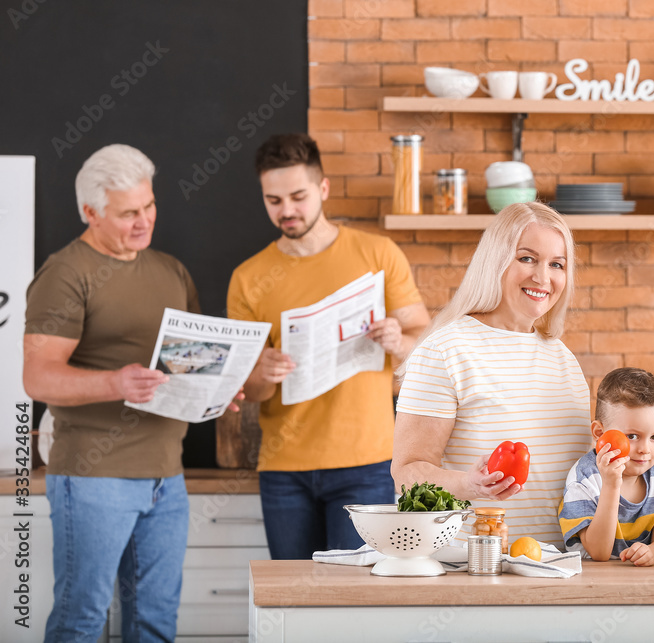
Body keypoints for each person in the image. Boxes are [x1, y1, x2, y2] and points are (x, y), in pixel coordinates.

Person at [23, 144, 200, 641]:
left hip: (167, 477)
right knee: (82, 619)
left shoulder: (171, 271)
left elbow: (187, 362)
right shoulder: (65, 274)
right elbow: (38, 377)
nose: (144, 221)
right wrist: (115, 383)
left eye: (149, 206)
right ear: (90, 213)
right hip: (94, 476)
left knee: (156, 622)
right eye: (128, 214)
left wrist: (216, 391)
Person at [227, 133, 430, 559]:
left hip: (367, 463)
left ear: (323, 189)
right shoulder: (249, 277)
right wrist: (260, 375)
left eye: (298, 196)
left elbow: (424, 345)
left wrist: (398, 340)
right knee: (290, 599)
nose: (287, 211)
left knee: (356, 603)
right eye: (274, 200)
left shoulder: (377, 253)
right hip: (284, 468)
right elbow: (250, 392)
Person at [392, 202, 592, 548]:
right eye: (527, 258)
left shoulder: (563, 359)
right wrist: (468, 484)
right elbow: (407, 474)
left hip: (557, 565)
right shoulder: (445, 350)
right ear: (495, 261)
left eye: (556, 264)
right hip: (478, 564)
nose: (543, 277)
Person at [558, 367, 654, 566]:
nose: (645, 449)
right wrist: (611, 485)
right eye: (632, 436)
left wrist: (653, 552)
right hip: (589, 583)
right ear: (599, 433)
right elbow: (599, 552)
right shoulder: (584, 479)